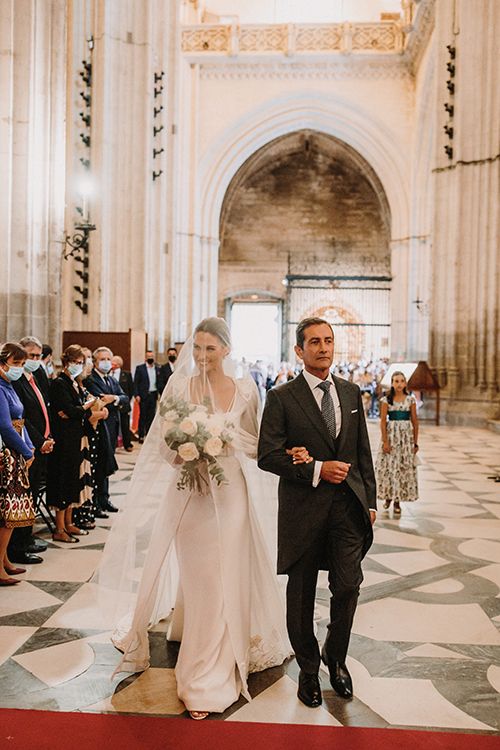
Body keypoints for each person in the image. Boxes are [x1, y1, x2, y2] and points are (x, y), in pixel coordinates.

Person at [96, 318, 291, 719]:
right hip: (191, 492)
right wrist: (190, 446)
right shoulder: (180, 388)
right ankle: (192, 632)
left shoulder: (246, 389)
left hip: (230, 490)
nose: (202, 357)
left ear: (226, 349)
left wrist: (223, 439)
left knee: (223, 575)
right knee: (201, 574)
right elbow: (164, 447)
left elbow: (256, 445)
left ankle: (207, 674)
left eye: (210, 349)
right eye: (197, 349)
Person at [258, 317, 376, 707]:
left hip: (347, 508)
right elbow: (268, 455)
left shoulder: (350, 392)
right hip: (304, 509)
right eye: (314, 342)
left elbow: (362, 453)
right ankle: (308, 670)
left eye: (328, 341)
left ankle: (335, 656)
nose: (323, 348)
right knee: (301, 592)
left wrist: (370, 501)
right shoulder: (281, 397)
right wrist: (314, 469)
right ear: (299, 350)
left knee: (348, 585)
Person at [8, 336, 53, 563]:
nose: (35, 360)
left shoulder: (34, 377)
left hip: (39, 443)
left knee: (33, 494)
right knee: (23, 496)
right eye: (30, 356)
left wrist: (49, 436)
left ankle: (27, 538)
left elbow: (44, 409)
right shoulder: (15, 382)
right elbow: (22, 418)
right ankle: (18, 546)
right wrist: (38, 441)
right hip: (26, 445)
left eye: (37, 356)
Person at [46, 345, 96, 542]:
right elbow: (70, 411)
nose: (79, 366)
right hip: (63, 439)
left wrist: (76, 410)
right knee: (63, 481)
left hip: (75, 436)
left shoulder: (74, 382)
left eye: (81, 363)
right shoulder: (60, 383)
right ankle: (59, 528)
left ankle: (69, 522)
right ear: (66, 362)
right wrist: (85, 406)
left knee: (72, 481)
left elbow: (72, 412)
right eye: (76, 362)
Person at [0, 342, 36, 584]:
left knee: (12, 513)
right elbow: (4, 426)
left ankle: (4, 560)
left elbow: (20, 420)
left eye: (23, 364)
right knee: (6, 513)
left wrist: (30, 444)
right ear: (2, 364)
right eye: (16, 364)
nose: (20, 369)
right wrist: (25, 451)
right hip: (7, 455)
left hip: (18, 452)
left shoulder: (10, 386)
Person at [84, 347, 128, 514]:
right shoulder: (91, 379)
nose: (106, 362)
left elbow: (124, 398)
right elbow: (99, 400)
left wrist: (114, 398)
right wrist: (111, 399)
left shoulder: (111, 380)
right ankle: (95, 501)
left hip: (112, 426)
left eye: (109, 359)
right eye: (102, 359)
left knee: (107, 462)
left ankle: (104, 498)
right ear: (95, 362)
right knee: (99, 464)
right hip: (100, 426)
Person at [376, 371, 419, 517]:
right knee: (389, 467)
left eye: (401, 381)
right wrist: (385, 441)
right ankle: (388, 495)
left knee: (401, 468)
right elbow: (382, 422)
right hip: (392, 436)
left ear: (405, 383)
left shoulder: (410, 400)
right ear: (392, 383)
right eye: (396, 381)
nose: (399, 384)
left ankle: (397, 501)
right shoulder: (386, 400)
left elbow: (415, 421)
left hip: (405, 438)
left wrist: (415, 442)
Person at [133, 350, 162, 442]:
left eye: (152, 356)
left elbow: (159, 382)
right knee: (142, 416)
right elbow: (136, 383)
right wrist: (136, 394)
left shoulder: (158, 368)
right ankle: (141, 435)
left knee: (151, 416)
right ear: (145, 358)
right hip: (143, 395)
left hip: (153, 395)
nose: (150, 358)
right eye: (148, 356)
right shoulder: (140, 368)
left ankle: (149, 436)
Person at [111, 355, 134, 451]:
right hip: (112, 403)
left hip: (123, 403)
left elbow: (131, 389)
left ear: (117, 364)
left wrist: (126, 400)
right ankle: (114, 444)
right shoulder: (109, 374)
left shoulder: (126, 374)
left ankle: (127, 444)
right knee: (114, 425)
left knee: (125, 425)